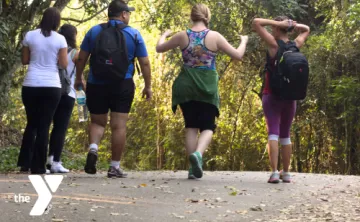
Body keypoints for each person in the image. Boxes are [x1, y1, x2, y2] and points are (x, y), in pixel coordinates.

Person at [156, 3, 248, 179]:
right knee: (208, 126)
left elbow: (159, 48)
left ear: (192, 16)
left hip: (186, 86)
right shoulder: (215, 36)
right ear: (207, 16)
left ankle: (192, 169)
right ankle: (198, 154)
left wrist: (164, 35)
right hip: (206, 86)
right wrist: (243, 41)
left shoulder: (182, 36)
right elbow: (238, 55)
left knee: (191, 125)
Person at [75, 0, 152, 178]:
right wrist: (148, 86)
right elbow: (145, 62)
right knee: (118, 126)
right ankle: (114, 167)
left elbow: (82, 58)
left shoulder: (94, 31)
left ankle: (93, 148)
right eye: (129, 13)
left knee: (97, 122)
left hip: (96, 83)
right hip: (122, 84)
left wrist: (79, 78)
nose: (129, 16)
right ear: (124, 14)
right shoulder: (133, 34)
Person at [252, 16, 310, 183]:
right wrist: (293, 24)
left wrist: (278, 23)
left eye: (274, 28)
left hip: (272, 95)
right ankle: (286, 172)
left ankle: (275, 172)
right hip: (291, 98)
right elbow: (306, 29)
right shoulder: (295, 45)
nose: (272, 30)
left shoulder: (273, 45)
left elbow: (256, 22)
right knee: (286, 135)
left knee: (273, 132)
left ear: (277, 28)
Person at [17, 7, 68, 174]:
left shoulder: (30, 35)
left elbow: (25, 60)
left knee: (32, 123)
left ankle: (25, 162)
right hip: (51, 86)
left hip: (31, 84)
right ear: (57, 22)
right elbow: (63, 64)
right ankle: (38, 167)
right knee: (44, 125)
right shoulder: (60, 39)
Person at [46, 24, 79, 173]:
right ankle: (56, 161)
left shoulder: (53, 51)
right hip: (68, 93)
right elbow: (80, 73)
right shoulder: (74, 53)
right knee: (60, 127)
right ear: (73, 36)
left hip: (51, 89)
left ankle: (45, 159)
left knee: (45, 126)